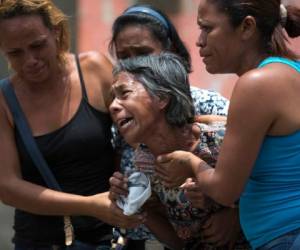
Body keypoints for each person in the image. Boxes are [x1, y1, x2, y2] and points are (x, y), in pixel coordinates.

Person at [154, 1, 300, 250]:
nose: (200, 41)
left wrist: (190, 163)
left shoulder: (257, 84)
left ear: (246, 27)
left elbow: (224, 190)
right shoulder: (287, 71)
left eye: (207, 29)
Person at [0, 1, 144, 249]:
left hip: (114, 237)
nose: (30, 60)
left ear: (56, 32)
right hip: (41, 241)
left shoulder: (94, 70)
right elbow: (8, 187)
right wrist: (90, 206)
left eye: (37, 45)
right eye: (15, 52)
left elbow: (143, 127)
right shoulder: (4, 100)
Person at [108, 4, 229, 249]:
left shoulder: (216, 125)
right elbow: (180, 237)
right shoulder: (144, 156)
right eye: (124, 56)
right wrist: (133, 200)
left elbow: (272, 178)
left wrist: (235, 213)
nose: (134, 63)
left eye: (143, 53)